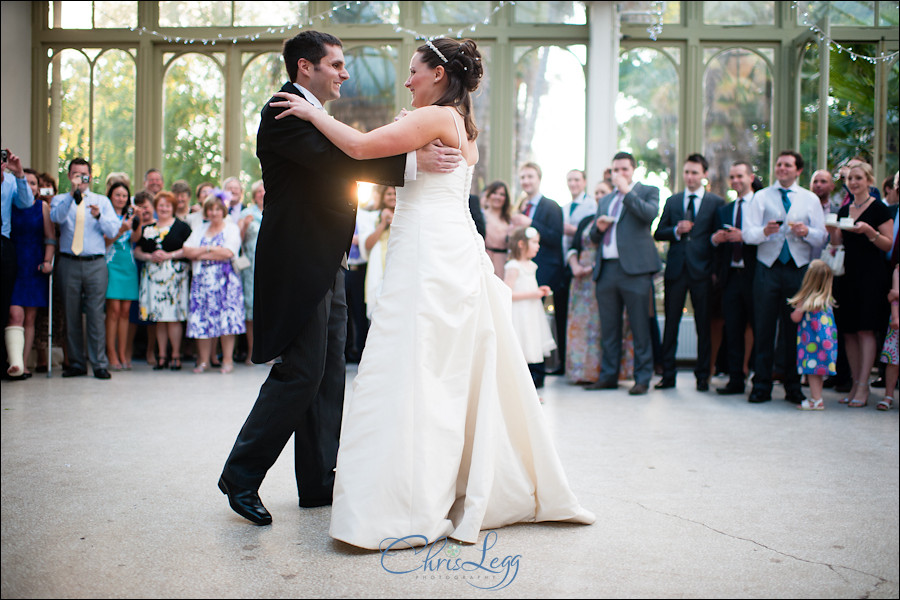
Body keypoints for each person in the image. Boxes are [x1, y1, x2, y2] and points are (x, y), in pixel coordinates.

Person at [270, 35, 594, 547]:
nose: (407, 81)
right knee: (443, 369)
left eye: (414, 71)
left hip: (426, 253)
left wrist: (313, 116)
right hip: (449, 249)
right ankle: (444, 480)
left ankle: (407, 496)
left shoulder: (434, 118)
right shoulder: (462, 124)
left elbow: (356, 148)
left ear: (439, 75)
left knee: (415, 367)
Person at [218, 30, 436, 526]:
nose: (344, 73)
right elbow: (340, 161)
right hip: (299, 258)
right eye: (336, 64)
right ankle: (241, 474)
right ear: (304, 67)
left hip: (330, 258)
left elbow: (341, 161)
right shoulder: (283, 109)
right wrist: (410, 159)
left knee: (329, 374)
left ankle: (318, 481)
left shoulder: (314, 112)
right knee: (301, 371)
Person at [742, 150, 828, 404]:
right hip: (767, 268)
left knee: (794, 329)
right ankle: (761, 385)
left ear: (798, 170)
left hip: (797, 268)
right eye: (779, 164)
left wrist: (806, 232)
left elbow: (821, 236)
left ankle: (792, 385)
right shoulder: (761, 197)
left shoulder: (809, 199)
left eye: (788, 165)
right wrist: (764, 232)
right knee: (764, 327)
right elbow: (748, 234)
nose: (782, 168)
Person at [586, 151, 662, 395]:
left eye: (624, 170)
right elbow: (593, 237)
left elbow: (649, 215)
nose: (619, 174)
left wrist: (627, 191)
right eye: (615, 170)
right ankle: (608, 376)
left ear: (633, 171)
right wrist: (597, 229)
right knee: (609, 328)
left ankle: (642, 378)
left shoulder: (647, 191)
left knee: (640, 327)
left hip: (636, 271)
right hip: (607, 269)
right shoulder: (606, 200)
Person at [825, 160, 894, 408]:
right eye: (849, 179)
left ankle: (864, 385)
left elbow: (888, 245)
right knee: (849, 331)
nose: (853, 182)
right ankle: (855, 382)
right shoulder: (844, 210)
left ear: (869, 180)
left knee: (866, 329)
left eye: (858, 178)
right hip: (846, 275)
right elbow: (836, 245)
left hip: (871, 276)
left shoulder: (879, 210)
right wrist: (832, 231)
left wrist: (870, 232)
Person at [654, 154, 725, 391]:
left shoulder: (716, 202)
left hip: (703, 271)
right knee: (671, 324)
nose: (690, 177)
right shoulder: (673, 201)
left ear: (704, 175)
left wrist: (715, 272)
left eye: (695, 172)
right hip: (676, 271)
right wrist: (675, 229)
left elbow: (719, 241)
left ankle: (703, 376)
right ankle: (668, 375)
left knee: (703, 325)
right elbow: (659, 232)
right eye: (686, 172)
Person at [50, 158, 119, 380]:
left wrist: (99, 215)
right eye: (76, 174)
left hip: (95, 263)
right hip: (69, 261)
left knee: (96, 314)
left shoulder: (102, 201)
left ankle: (99, 363)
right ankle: (77, 362)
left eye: (84, 174)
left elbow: (113, 229)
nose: (80, 178)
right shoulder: (61, 199)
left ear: (91, 176)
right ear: (70, 175)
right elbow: (56, 218)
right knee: (70, 314)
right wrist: (72, 194)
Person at [513, 162, 566, 374]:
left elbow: (555, 237)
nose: (526, 181)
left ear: (539, 179)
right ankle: (525, 369)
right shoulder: (520, 206)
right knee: (523, 317)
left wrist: (529, 223)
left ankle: (538, 372)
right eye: (523, 177)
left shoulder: (552, 206)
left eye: (530, 177)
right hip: (523, 271)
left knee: (535, 319)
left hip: (545, 270)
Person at [711, 161, 758, 395]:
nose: (735, 181)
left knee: (760, 328)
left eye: (740, 176)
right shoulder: (724, 210)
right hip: (730, 276)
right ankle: (735, 379)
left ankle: (760, 379)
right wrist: (716, 239)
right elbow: (715, 246)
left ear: (750, 177)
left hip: (754, 275)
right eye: (732, 177)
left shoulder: (760, 205)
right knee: (733, 329)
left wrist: (745, 236)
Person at [183, 195, 243, 373]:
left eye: (217, 209)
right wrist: (213, 251)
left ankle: (227, 360)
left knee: (226, 321)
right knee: (202, 320)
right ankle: (203, 361)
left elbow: (229, 252)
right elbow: (187, 250)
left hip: (226, 282)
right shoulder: (201, 229)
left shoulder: (231, 228)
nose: (214, 212)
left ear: (223, 210)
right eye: (210, 209)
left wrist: (203, 251)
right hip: (202, 281)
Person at [134, 191, 192, 370]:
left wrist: (169, 255)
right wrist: (149, 256)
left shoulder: (182, 227)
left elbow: (189, 249)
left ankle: (175, 354)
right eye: (161, 205)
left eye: (168, 205)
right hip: (153, 278)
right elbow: (137, 251)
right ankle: (161, 355)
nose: (164, 208)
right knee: (159, 318)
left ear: (173, 207)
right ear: (156, 207)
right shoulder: (147, 228)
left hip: (175, 278)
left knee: (173, 317)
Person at [6, 167, 51, 379]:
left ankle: (23, 364)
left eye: (34, 183)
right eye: (27, 182)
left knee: (30, 318)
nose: (31, 186)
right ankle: (12, 360)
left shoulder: (43, 207)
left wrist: (47, 261)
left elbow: (50, 238)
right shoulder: (10, 205)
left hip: (35, 264)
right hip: (14, 262)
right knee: (15, 313)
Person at [505, 226, 556, 389]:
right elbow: (507, 292)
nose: (538, 246)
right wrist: (533, 294)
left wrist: (540, 292)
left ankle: (536, 376)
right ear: (521, 244)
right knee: (522, 340)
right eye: (534, 242)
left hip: (532, 311)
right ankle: (522, 380)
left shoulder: (532, 265)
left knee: (533, 339)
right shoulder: (513, 266)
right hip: (520, 312)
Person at [788, 259, 838, 410]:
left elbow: (795, 318)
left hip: (811, 345)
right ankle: (818, 397)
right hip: (825, 343)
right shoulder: (826, 301)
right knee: (819, 373)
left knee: (812, 373)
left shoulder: (806, 301)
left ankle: (816, 400)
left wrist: (798, 309)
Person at [1, 148, 35, 373]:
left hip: (4, 245)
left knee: (5, 305)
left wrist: (20, 174)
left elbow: (26, 203)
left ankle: (7, 363)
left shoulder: (12, 181)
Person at [103, 181, 138, 371]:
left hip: (128, 264)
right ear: (110, 196)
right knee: (113, 310)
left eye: (124, 196)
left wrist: (137, 223)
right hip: (111, 263)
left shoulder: (130, 216)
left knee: (125, 312)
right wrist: (121, 229)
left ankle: (123, 353)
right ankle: (111, 353)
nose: (121, 199)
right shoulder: (106, 216)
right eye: (117, 195)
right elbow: (105, 240)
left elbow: (135, 240)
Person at [565, 212, 601, 384]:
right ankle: (578, 372)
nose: (599, 196)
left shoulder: (613, 220)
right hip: (580, 279)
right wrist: (575, 266)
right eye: (597, 192)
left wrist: (592, 267)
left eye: (604, 192)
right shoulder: (586, 220)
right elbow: (573, 247)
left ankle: (595, 372)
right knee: (579, 323)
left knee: (597, 326)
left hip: (599, 277)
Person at [359, 185, 396, 318]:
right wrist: (383, 224)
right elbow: (366, 245)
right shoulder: (372, 216)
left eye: (395, 194)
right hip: (379, 269)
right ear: (382, 196)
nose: (392, 197)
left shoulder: (405, 216)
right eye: (389, 194)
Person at [239, 180, 264, 365]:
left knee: (273, 308)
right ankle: (252, 352)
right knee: (251, 308)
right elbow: (236, 240)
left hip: (276, 268)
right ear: (254, 195)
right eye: (259, 191)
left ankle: (271, 353)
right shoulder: (247, 213)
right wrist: (244, 226)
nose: (263, 194)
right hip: (252, 268)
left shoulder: (278, 209)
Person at [878, 242, 898, 411]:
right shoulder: (898, 270)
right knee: (893, 360)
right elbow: (892, 296)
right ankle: (888, 395)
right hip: (897, 320)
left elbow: (895, 294)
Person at [482, 180, 513, 277]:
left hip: (503, 264)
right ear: (489, 195)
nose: (497, 197)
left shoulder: (510, 220)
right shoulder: (481, 216)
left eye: (502, 194)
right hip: (484, 261)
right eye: (494, 193)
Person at [563, 169, 597, 254]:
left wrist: (575, 231)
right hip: (566, 254)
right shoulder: (565, 207)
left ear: (584, 182)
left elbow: (593, 232)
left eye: (576, 180)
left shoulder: (592, 204)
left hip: (583, 254)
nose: (572, 183)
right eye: (569, 180)